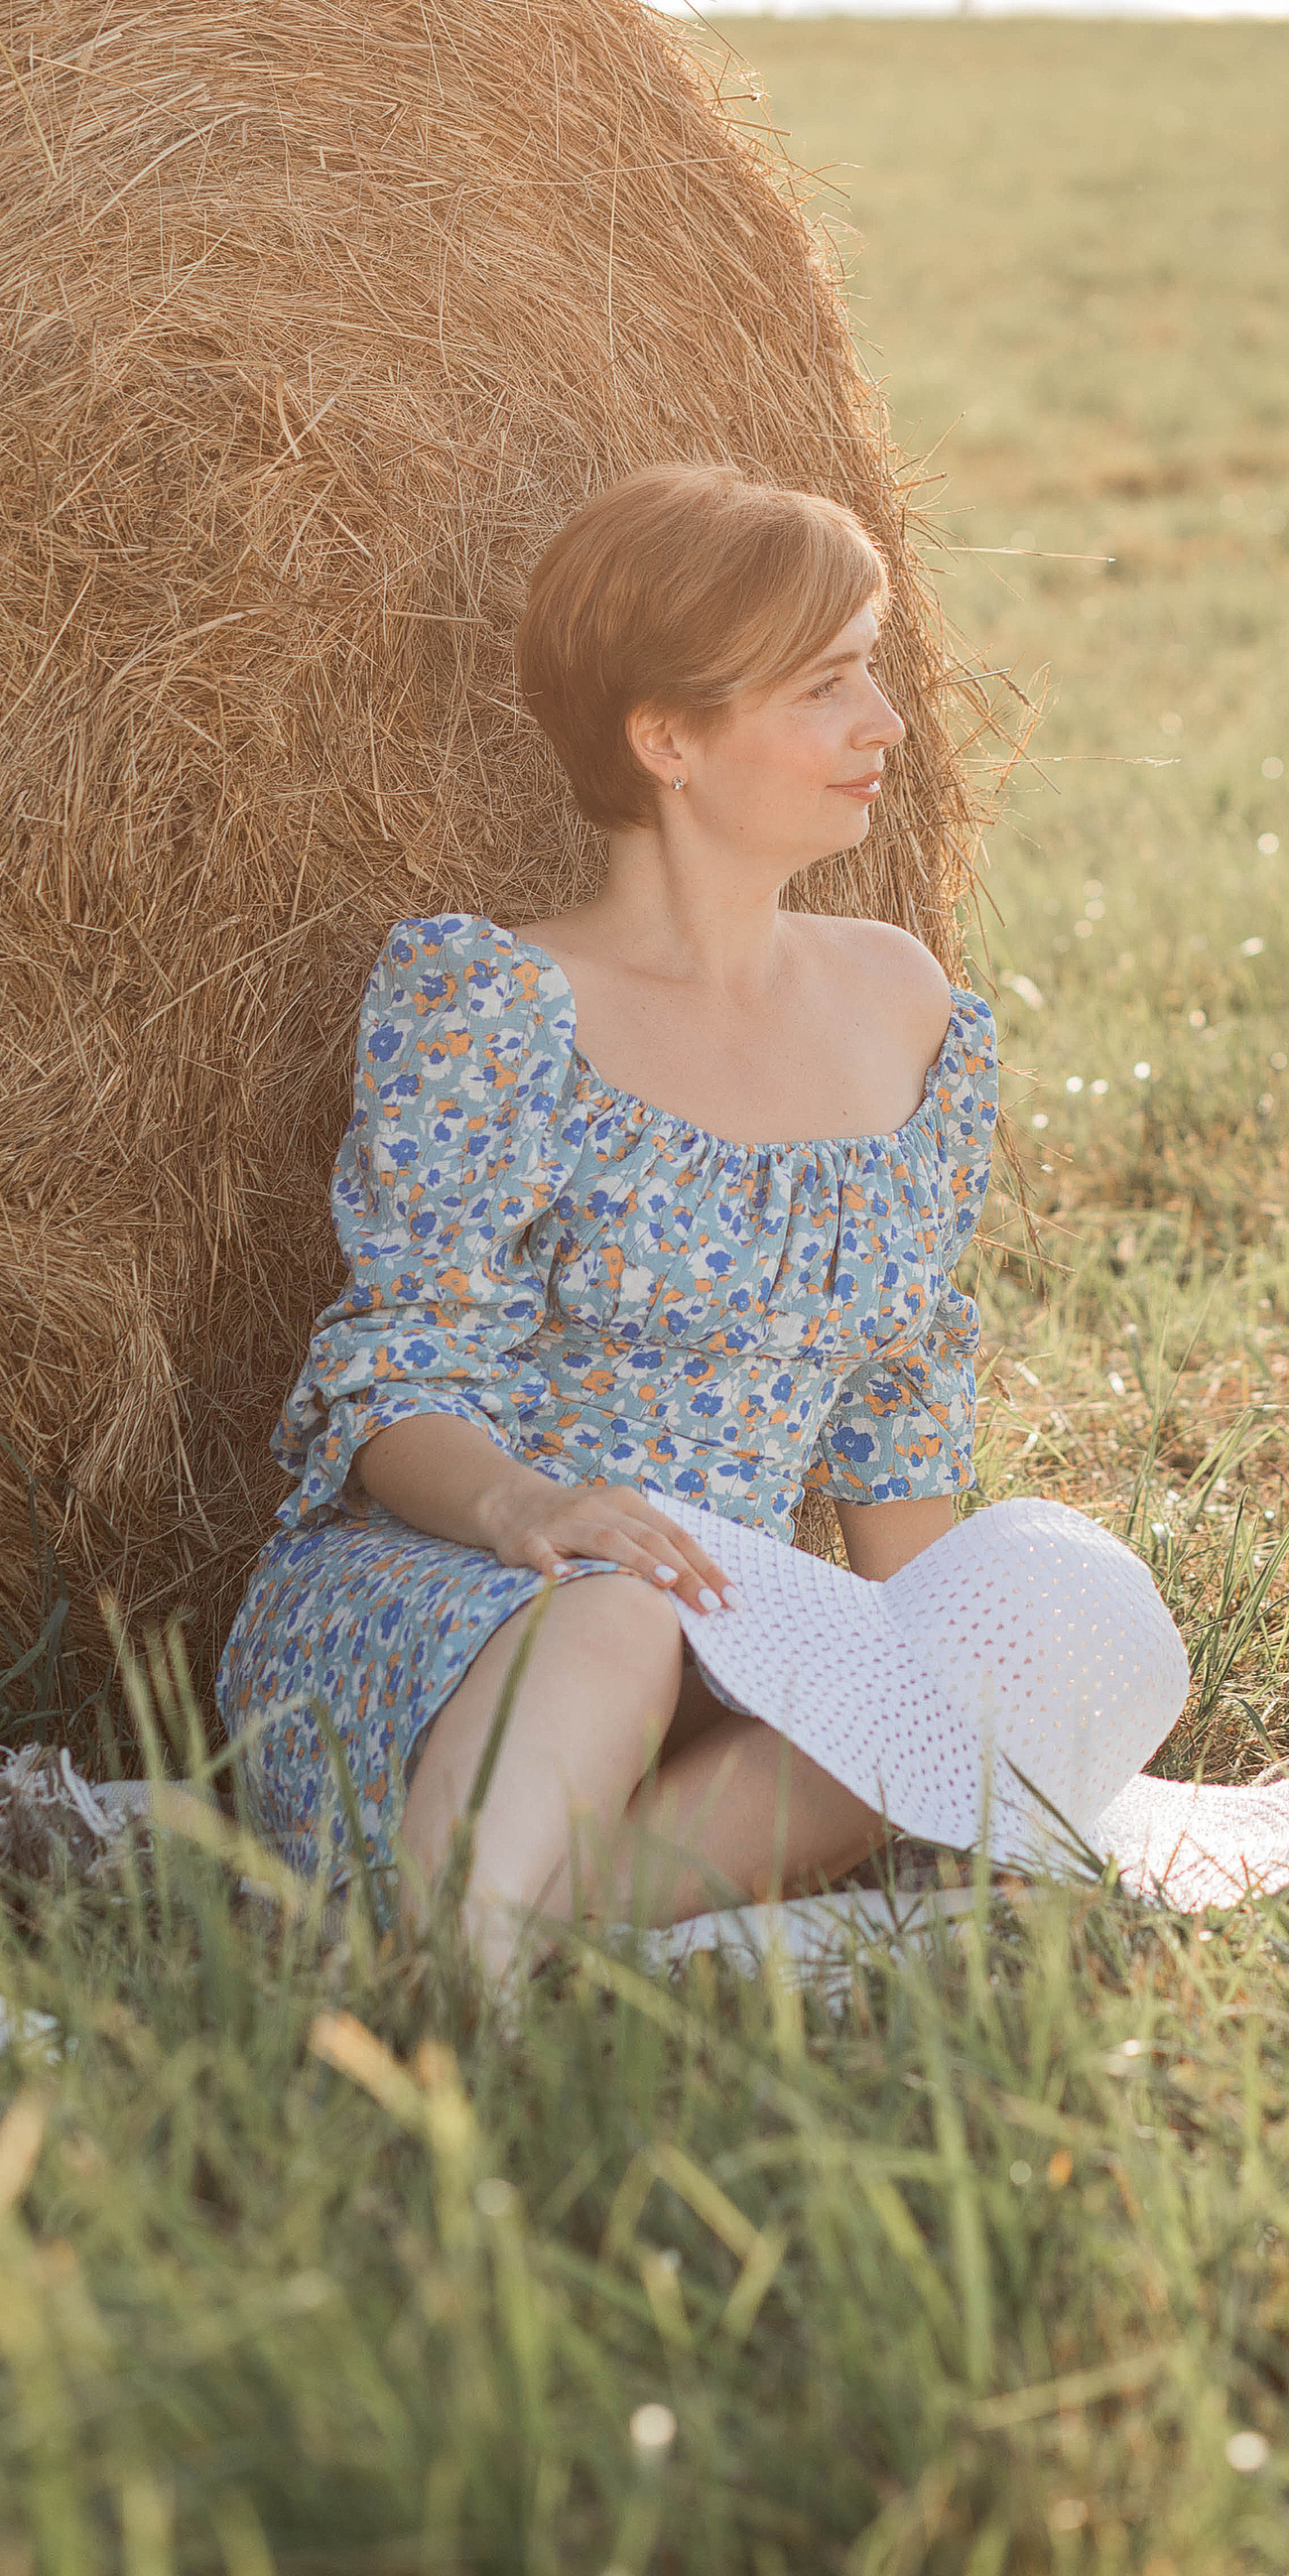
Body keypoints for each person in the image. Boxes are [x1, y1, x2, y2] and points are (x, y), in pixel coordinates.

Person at [218, 462, 1169, 1973]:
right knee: (621, 1611)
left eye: (873, 670)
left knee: (1044, 1608)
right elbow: (395, 1378)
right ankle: (457, 1977)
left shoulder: (905, 1004)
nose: (886, 724)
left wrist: (947, 1676)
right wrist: (533, 1511)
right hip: (472, 1598)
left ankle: (495, 1938)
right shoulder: (500, 1006)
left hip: (748, 1628)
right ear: (666, 738)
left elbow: (896, 1411)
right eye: (824, 685)